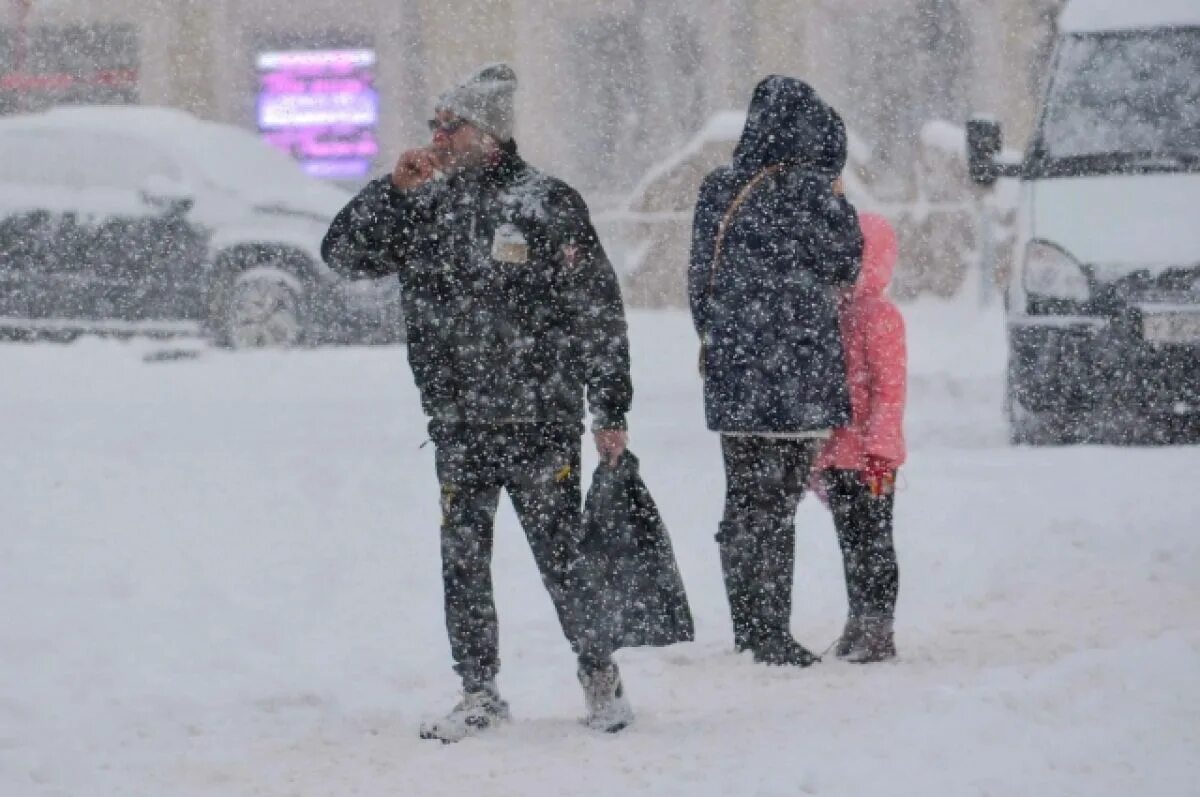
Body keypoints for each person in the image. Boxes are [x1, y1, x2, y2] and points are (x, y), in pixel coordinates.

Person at [321, 63, 635, 741]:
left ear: (487, 132)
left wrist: (609, 408)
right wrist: (391, 192)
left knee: (562, 556)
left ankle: (599, 674)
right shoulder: (424, 206)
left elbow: (597, 312)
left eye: (450, 123)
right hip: (459, 423)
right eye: (434, 122)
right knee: (462, 560)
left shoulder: (548, 204)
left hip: (540, 420)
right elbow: (342, 254)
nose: (436, 134)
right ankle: (478, 688)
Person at [688, 76, 863, 667]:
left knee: (743, 499)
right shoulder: (814, 192)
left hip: (736, 373)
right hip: (799, 371)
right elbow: (846, 265)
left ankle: (749, 626)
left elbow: (699, 285)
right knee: (778, 501)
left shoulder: (720, 189)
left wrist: (728, 338)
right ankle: (771, 634)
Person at [813, 212, 906, 663]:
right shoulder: (829, 313)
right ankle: (859, 616)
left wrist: (880, 450)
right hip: (837, 457)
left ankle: (879, 626)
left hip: (873, 460)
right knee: (851, 541)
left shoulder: (881, 316)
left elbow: (890, 390)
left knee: (875, 539)